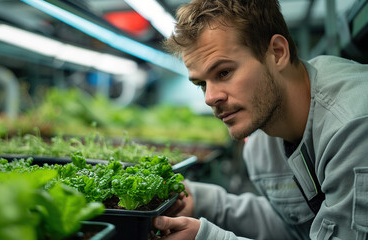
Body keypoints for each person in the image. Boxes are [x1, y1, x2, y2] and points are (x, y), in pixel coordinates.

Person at [152, 0, 368, 239]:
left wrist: (210, 237)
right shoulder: (260, 144)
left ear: (277, 53)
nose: (210, 98)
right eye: (202, 84)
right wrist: (205, 202)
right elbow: (294, 227)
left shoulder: (354, 124)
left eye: (224, 72)